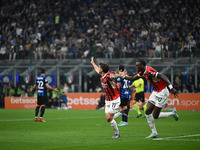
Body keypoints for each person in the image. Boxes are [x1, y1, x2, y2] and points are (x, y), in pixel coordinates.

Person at [120, 59, 179, 138]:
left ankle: (172, 113)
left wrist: (171, 87)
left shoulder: (149, 71)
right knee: (147, 111)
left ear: (142, 66)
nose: (136, 66)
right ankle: (154, 133)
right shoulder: (142, 72)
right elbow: (133, 78)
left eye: (137, 65)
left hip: (163, 92)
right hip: (155, 92)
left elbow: (163, 76)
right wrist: (123, 76)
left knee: (155, 116)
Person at [91, 57, 122, 138]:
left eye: (100, 67)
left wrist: (119, 75)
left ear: (103, 69)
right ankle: (120, 113)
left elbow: (113, 76)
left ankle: (117, 134)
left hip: (115, 99)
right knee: (108, 119)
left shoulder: (108, 76)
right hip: (107, 100)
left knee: (109, 117)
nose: (99, 68)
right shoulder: (101, 74)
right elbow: (96, 69)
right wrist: (93, 63)